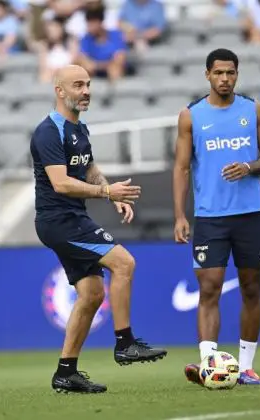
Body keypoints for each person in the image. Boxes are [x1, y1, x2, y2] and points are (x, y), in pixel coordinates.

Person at [30, 64, 167, 394]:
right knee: (125, 263)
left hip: (71, 218)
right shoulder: (49, 131)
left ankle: (66, 373)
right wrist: (107, 192)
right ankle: (125, 343)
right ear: (60, 91)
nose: (87, 90)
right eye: (78, 85)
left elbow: (88, 168)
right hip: (60, 221)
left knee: (91, 295)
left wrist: (109, 192)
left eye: (89, 84)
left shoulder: (79, 129)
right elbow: (61, 183)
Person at [172, 49, 260, 386]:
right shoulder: (191, 116)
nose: (224, 79)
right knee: (210, 289)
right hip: (210, 217)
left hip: (249, 215)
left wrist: (249, 167)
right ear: (207, 75)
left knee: (251, 288)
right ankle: (210, 365)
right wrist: (179, 215)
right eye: (218, 73)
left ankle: (246, 366)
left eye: (230, 73)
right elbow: (181, 167)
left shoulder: (253, 110)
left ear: (237, 74)